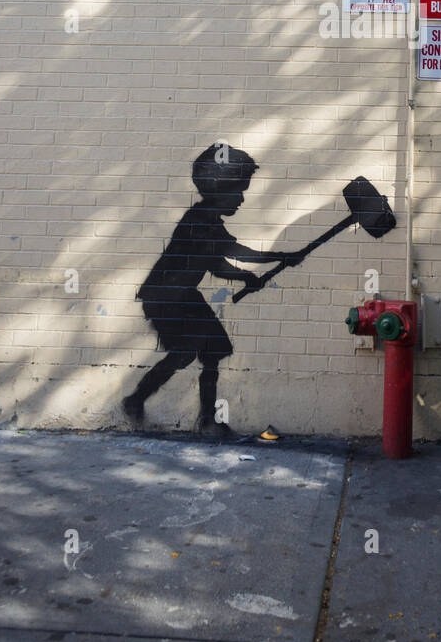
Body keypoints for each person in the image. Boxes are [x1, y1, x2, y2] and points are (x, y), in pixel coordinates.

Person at [122, 143, 305, 442]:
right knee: (185, 353)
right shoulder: (200, 220)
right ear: (220, 189)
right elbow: (227, 258)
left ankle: (208, 419)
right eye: (239, 191)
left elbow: (223, 259)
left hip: (182, 295)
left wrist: (270, 264)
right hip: (165, 296)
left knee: (212, 352)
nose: (242, 198)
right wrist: (275, 260)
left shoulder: (207, 219)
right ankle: (137, 400)